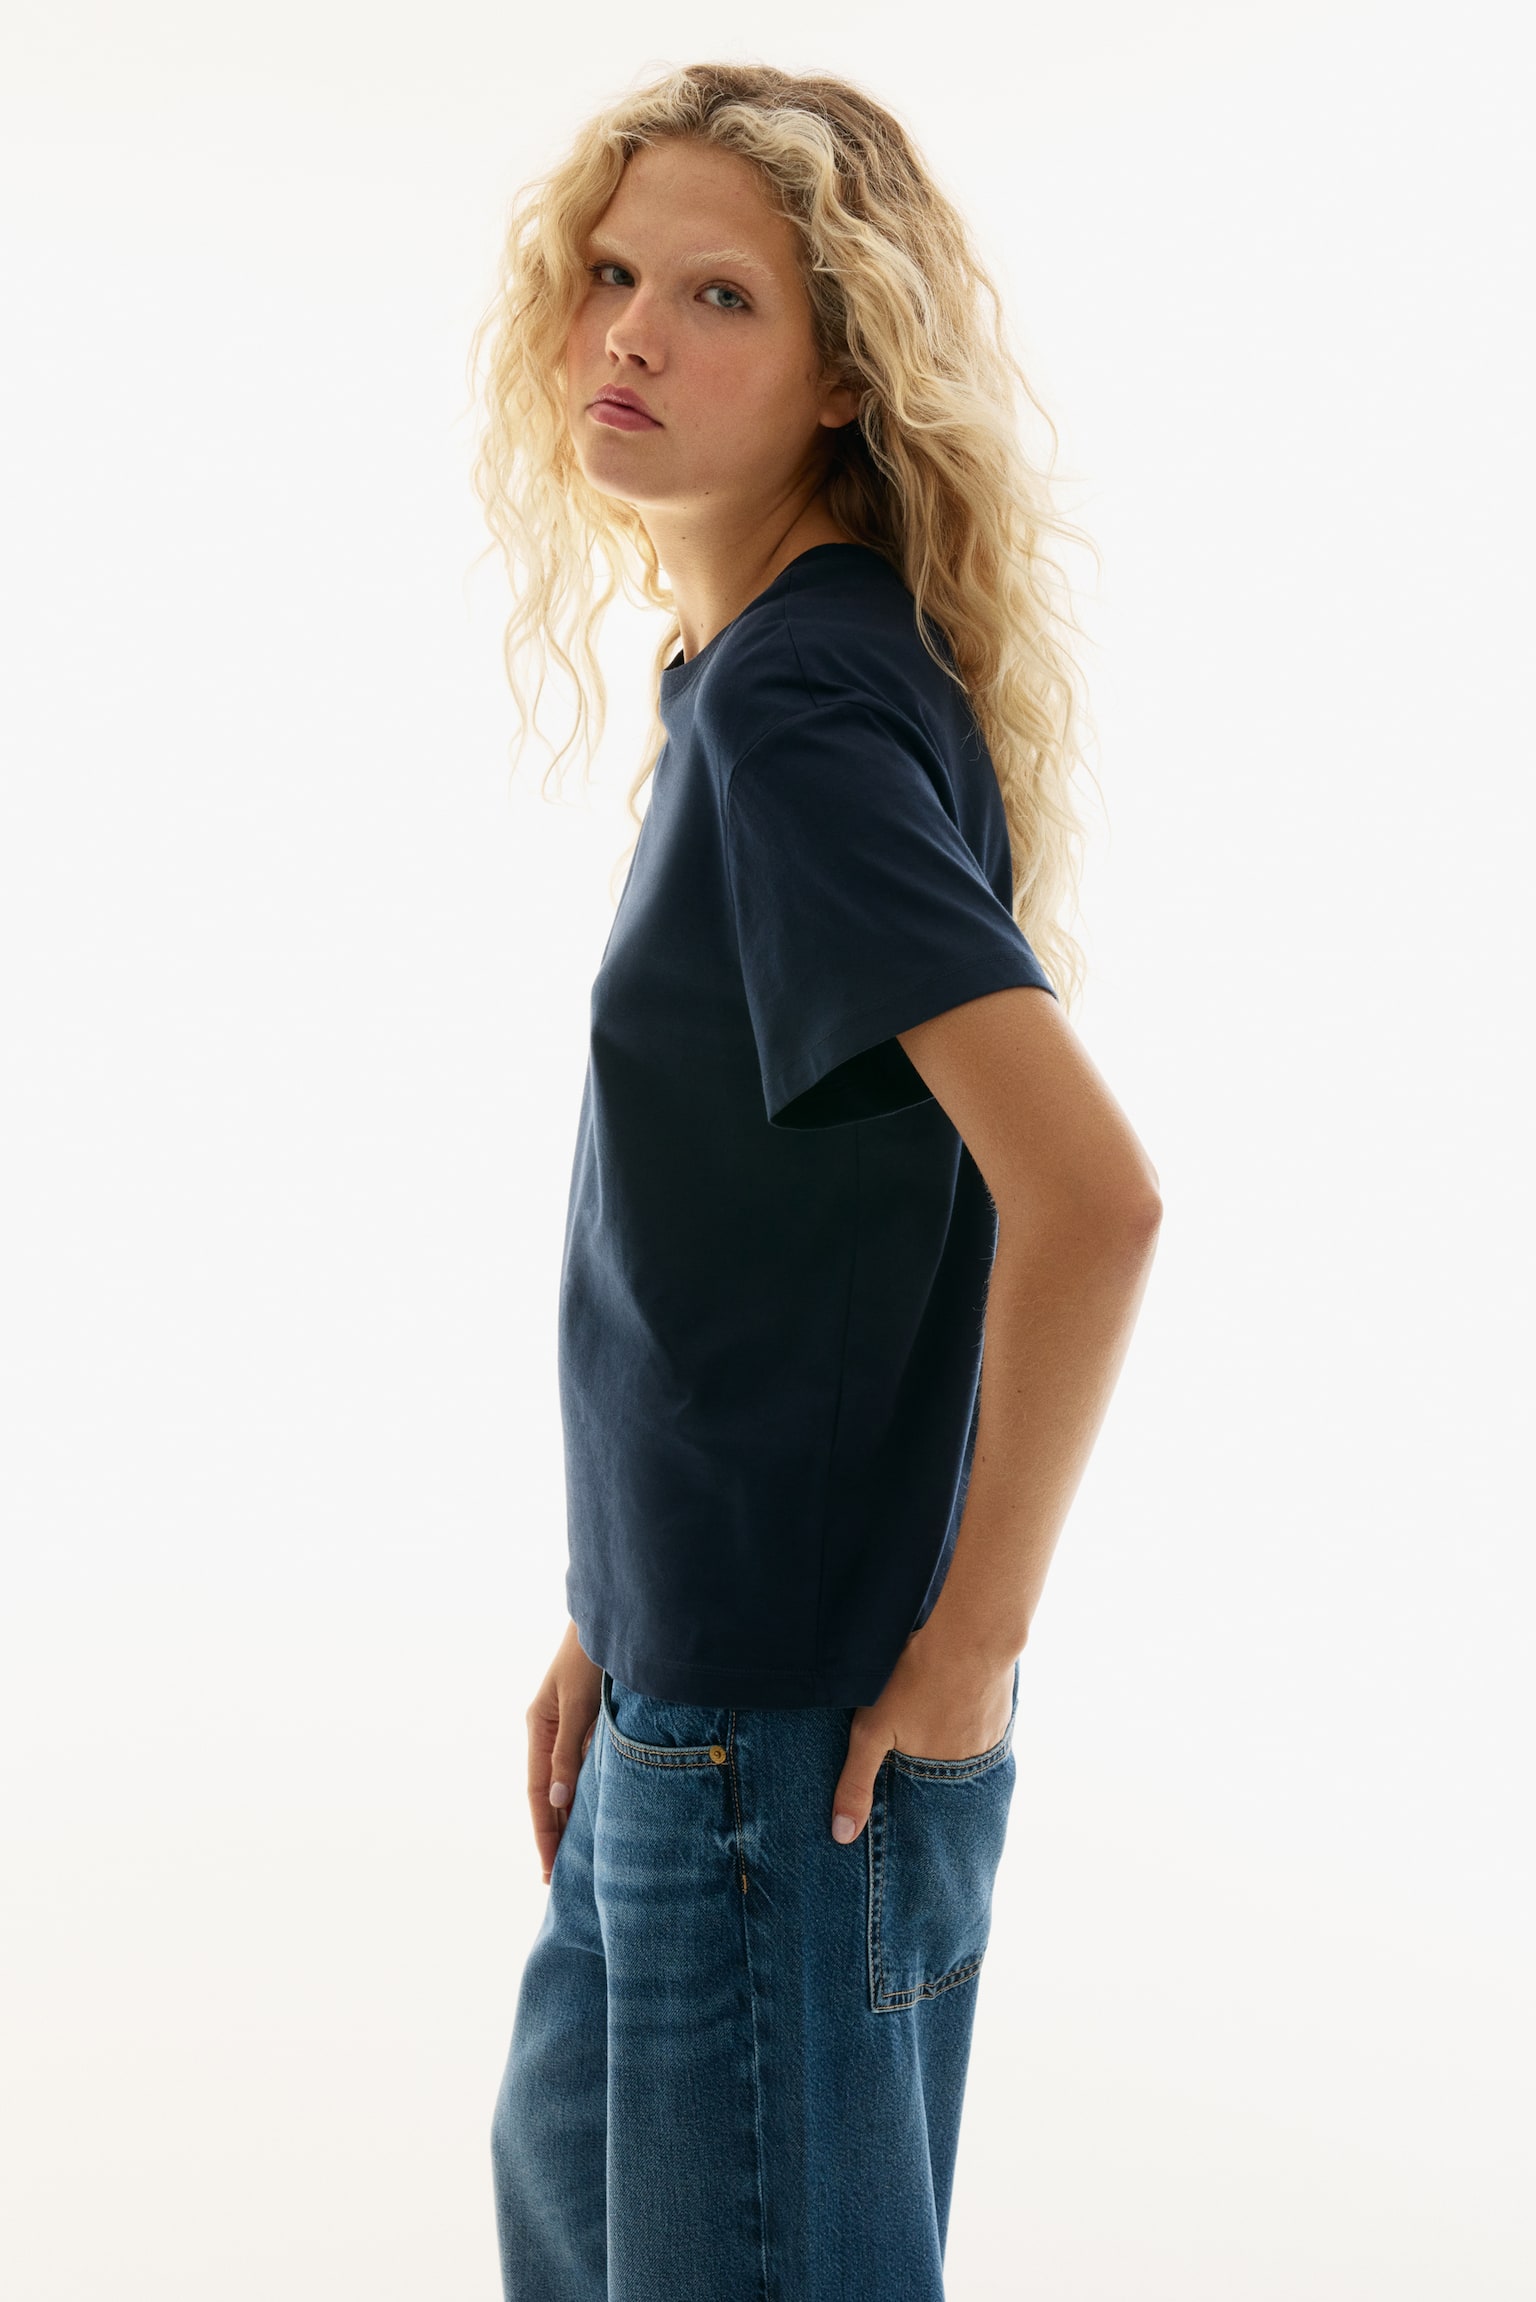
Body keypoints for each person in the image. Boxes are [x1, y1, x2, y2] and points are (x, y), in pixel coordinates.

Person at [469, 61, 1162, 2302]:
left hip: (784, 1754)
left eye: (720, 296)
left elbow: (1092, 1198)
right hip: (690, 1699)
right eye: (612, 274)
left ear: (847, 376)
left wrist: (967, 1658)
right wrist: (615, 1604)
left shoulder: (799, 710)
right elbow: (791, 1228)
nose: (629, 332)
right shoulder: (761, 672)